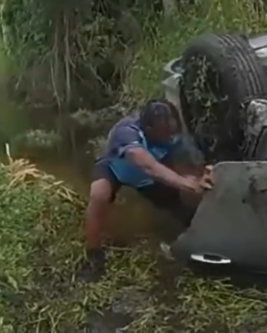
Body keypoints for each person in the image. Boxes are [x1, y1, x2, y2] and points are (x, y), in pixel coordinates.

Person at [80, 99, 209, 280]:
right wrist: (184, 182)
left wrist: (201, 177)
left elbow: (191, 165)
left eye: (172, 132)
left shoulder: (177, 136)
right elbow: (144, 163)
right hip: (116, 169)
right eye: (164, 134)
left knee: (183, 209)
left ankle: (199, 240)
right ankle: (93, 256)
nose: (169, 138)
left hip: (148, 179)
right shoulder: (126, 131)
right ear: (148, 129)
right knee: (99, 194)